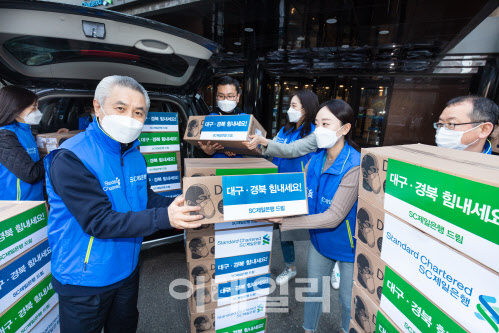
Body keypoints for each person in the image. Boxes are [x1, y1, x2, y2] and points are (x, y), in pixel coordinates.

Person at [44, 75, 203, 333]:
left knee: (125, 327)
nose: (130, 117)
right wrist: (166, 218)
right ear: (97, 107)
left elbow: (144, 198)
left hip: (126, 268)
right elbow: (99, 220)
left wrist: (178, 204)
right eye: (121, 108)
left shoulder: (133, 154)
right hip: (85, 277)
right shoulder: (72, 157)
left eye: (138, 112)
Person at [264, 99, 361, 333]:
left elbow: (334, 217)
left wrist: (285, 222)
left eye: (326, 124)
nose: (319, 130)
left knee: (347, 301)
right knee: (314, 293)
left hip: (348, 247)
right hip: (319, 241)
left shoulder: (355, 165)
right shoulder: (316, 158)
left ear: (345, 129)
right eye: (317, 123)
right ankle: (309, 329)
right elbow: (303, 197)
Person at [0, 86, 44, 201]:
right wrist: (54, 155)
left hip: (33, 199)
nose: (37, 112)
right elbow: (30, 174)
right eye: (33, 107)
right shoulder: (4, 136)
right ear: (16, 108)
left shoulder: (25, 129)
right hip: (17, 205)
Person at [198, 76, 244, 158]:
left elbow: (256, 147)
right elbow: (200, 145)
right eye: (221, 96)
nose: (225, 100)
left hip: (238, 167)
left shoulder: (244, 119)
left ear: (238, 97)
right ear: (216, 98)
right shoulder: (210, 120)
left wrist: (238, 149)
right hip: (216, 166)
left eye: (230, 96)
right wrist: (207, 151)